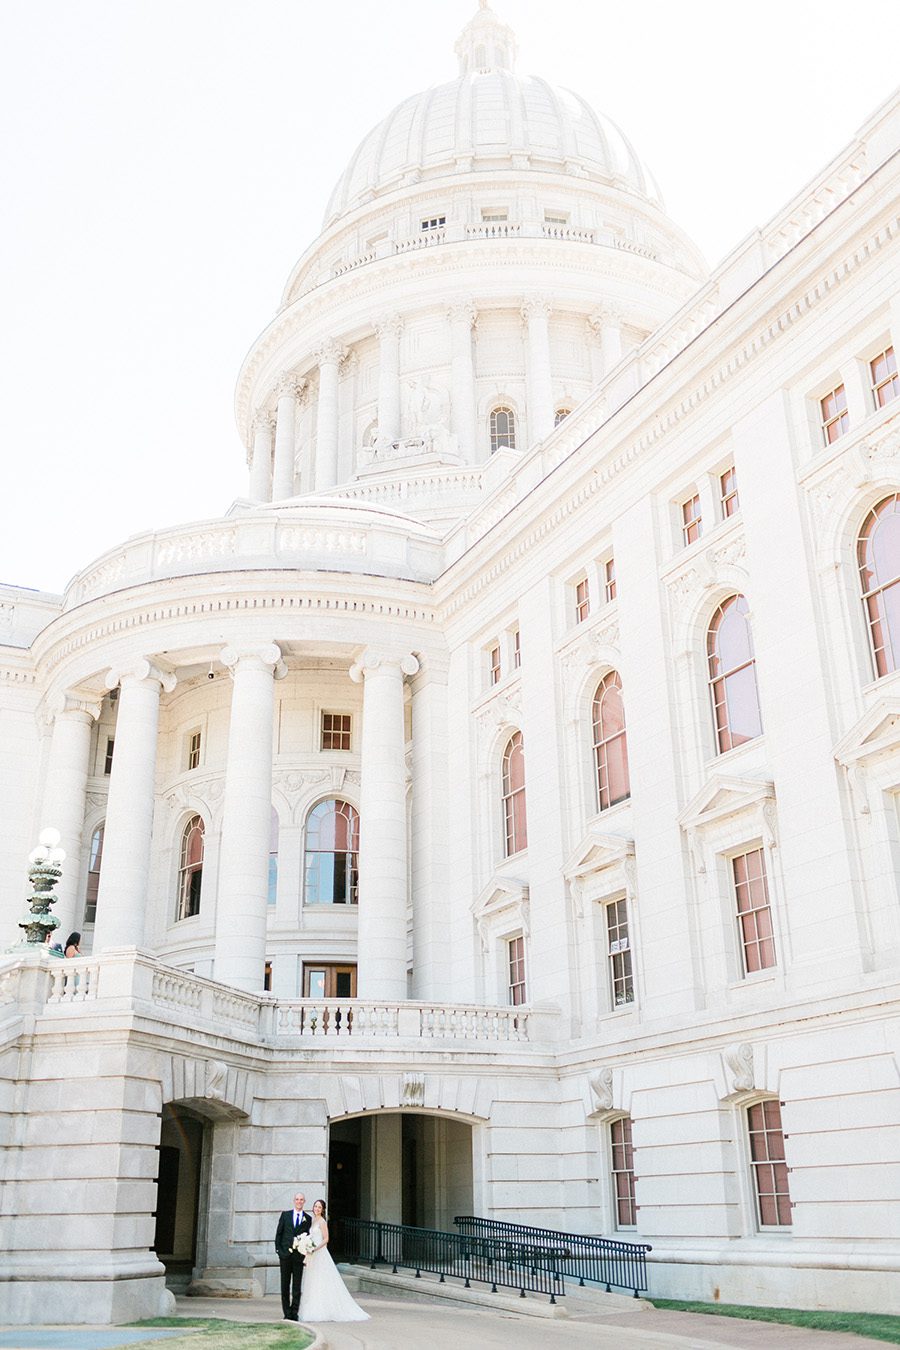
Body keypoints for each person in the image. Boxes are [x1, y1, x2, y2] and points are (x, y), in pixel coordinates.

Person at [298, 1199, 369, 1323]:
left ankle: (323, 1310)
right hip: (312, 1255)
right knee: (312, 1281)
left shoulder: (322, 1221)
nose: (317, 1209)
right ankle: (312, 1307)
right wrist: (307, 1246)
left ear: (323, 1209)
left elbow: (326, 1239)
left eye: (319, 1207)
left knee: (321, 1281)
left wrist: (315, 1248)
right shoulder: (312, 1220)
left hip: (320, 1253)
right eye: (315, 1206)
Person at [274, 1190, 311, 1321]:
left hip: (298, 1257)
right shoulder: (285, 1215)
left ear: (304, 1202)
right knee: (285, 1285)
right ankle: (287, 1312)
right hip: (285, 1256)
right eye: (297, 1199)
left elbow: (308, 1237)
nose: (299, 1201)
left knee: (296, 1286)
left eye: (301, 1199)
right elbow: (279, 1234)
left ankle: (294, 1312)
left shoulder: (308, 1219)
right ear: (294, 1201)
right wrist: (279, 1251)